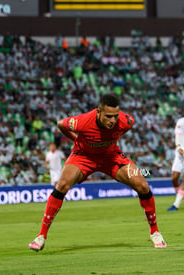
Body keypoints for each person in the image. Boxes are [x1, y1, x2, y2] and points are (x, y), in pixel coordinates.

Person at [28, 94, 167, 251]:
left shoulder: (126, 121)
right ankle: (41, 236)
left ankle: (155, 232)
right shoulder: (82, 122)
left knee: (142, 184)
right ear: (98, 112)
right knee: (62, 185)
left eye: (115, 116)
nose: (113, 120)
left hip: (111, 157)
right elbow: (61, 124)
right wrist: (75, 140)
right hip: (83, 156)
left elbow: (119, 129)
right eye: (108, 116)